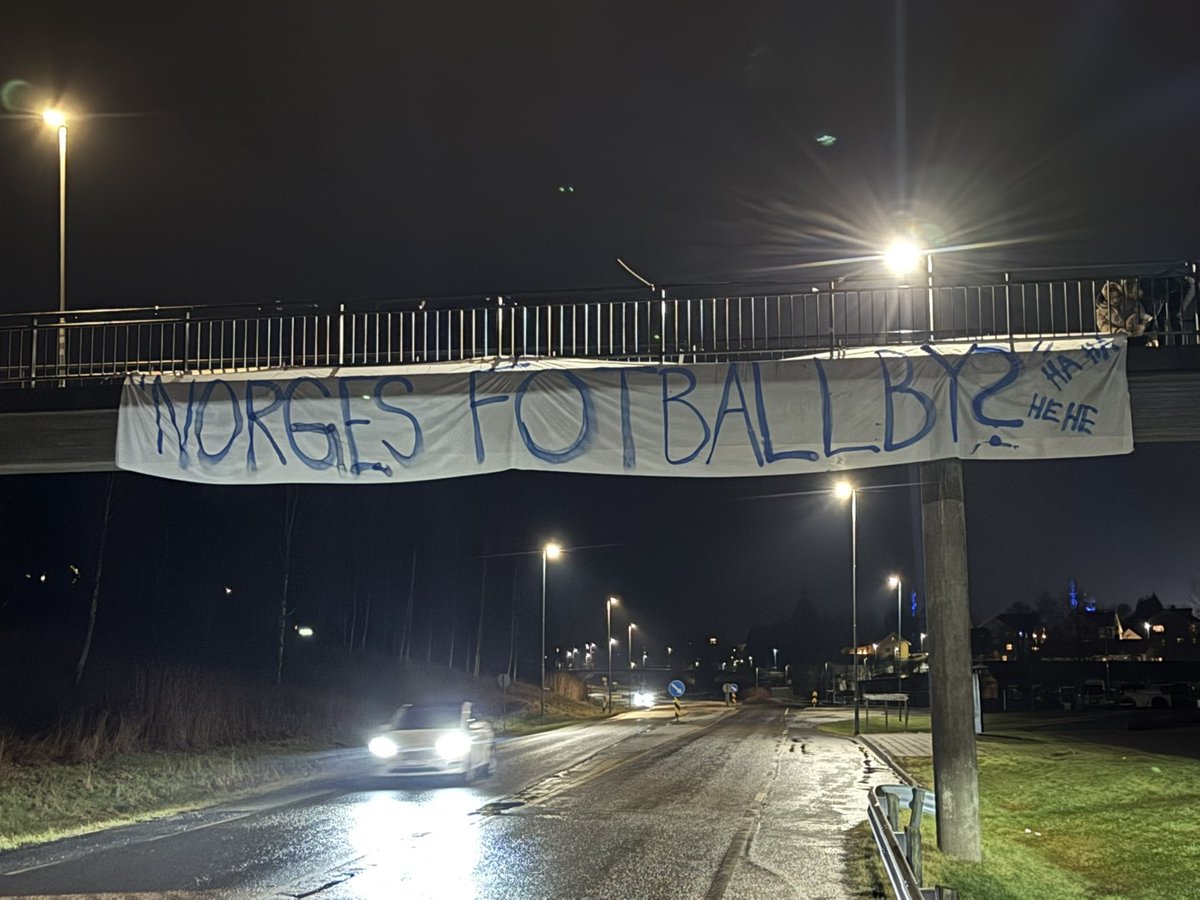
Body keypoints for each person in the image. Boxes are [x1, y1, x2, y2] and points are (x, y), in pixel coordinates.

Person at [1094, 280, 1156, 346]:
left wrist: (1141, 325)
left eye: (1118, 296)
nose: (1115, 300)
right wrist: (1116, 331)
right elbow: (1103, 325)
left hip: (1136, 337)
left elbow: (1144, 315)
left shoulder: (1131, 301)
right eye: (1111, 298)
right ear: (1106, 298)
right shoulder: (1101, 310)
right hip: (1117, 340)